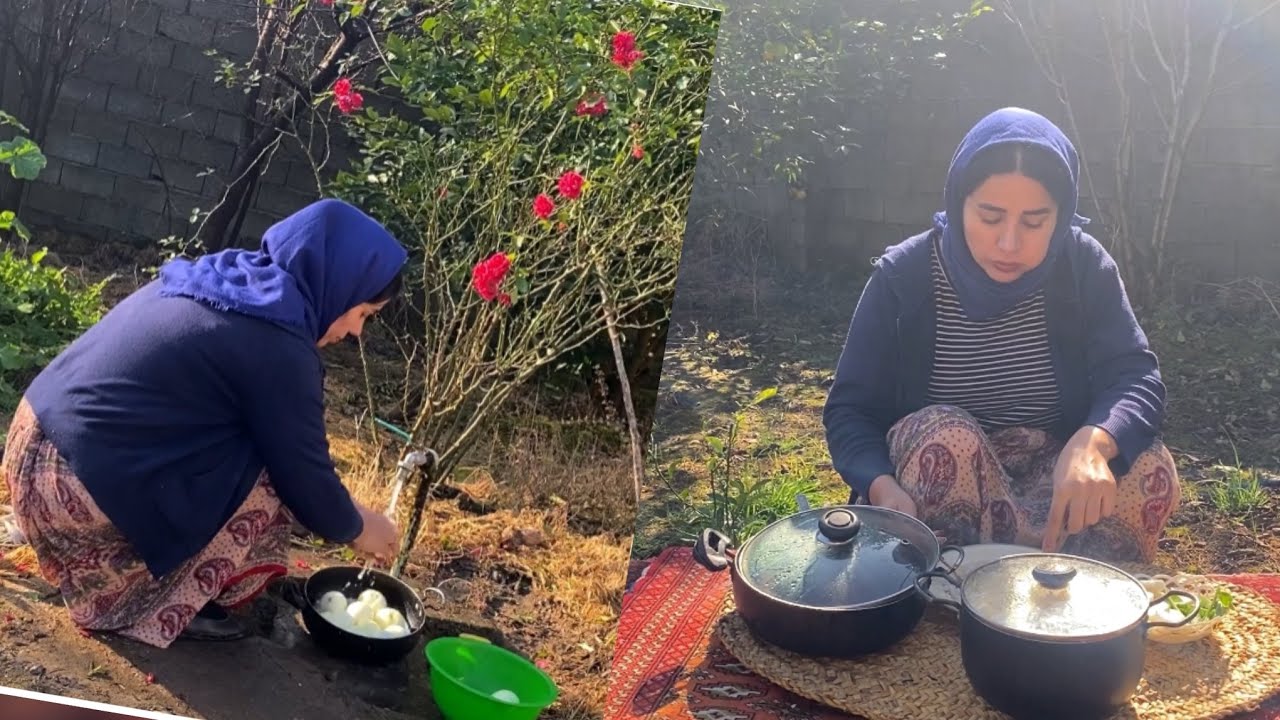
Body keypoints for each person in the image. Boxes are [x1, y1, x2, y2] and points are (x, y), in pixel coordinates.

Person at [1, 198, 407, 647]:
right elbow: (305, 475)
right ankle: (156, 598)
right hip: (68, 487)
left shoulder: (226, 279)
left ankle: (105, 553)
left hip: (31, 446)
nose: (356, 332)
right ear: (340, 285)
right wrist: (359, 527)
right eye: (363, 314)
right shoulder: (279, 342)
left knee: (249, 443)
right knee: (270, 478)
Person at [823, 107, 1178, 564]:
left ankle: (1079, 597)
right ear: (958, 202)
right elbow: (850, 409)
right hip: (940, 488)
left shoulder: (1083, 268)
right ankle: (944, 603)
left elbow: (1135, 377)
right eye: (990, 217)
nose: (1010, 244)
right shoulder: (905, 278)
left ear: (1061, 215)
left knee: (1148, 466)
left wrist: (1094, 441)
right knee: (947, 436)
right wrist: (880, 484)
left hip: (1053, 492)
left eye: (1034, 222)